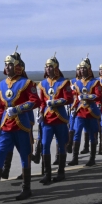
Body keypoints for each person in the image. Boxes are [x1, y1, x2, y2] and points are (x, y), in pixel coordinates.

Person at [0, 48, 40, 203]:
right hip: (6, 127)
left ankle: (26, 188)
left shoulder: (27, 83)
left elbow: (35, 101)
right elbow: (2, 108)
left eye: (10, 64)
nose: (7, 67)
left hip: (21, 126)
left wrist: (18, 109)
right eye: (5, 64)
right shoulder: (0, 85)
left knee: (24, 156)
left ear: (17, 66)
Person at [37, 54, 73, 185]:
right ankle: (47, 174)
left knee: (62, 144)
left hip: (60, 119)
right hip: (47, 119)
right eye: (46, 67)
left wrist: (55, 102)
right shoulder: (42, 84)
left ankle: (61, 172)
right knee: (45, 145)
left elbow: (69, 99)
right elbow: (42, 102)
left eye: (50, 66)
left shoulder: (64, 82)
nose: (48, 69)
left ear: (56, 68)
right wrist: (41, 112)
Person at [70, 56, 102, 166]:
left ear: (89, 69)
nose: (82, 70)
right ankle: (75, 158)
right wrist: (73, 108)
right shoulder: (77, 83)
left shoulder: (95, 82)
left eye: (85, 68)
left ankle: (92, 158)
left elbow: (98, 96)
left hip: (91, 111)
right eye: (81, 68)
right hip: (80, 111)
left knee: (92, 134)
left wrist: (87, 96)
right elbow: (75, 97)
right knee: (77, 133)